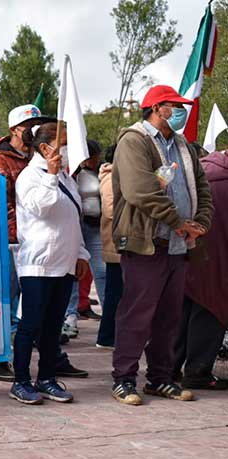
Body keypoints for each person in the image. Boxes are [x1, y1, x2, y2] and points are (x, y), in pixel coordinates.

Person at [111, 84, 213, 405]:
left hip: (178, 245)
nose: (182, 111)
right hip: (147, 243)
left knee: (169, 317)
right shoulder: (134, 141)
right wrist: (179, 221)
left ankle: (160, 378)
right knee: (137, 315)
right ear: (157, 108)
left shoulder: (183, 146)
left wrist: (201, 225)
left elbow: (203, 190)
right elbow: (140, 190)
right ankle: (124, 379)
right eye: (175, 105)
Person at [9, 122, 89, 405]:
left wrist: (81, 254)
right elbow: (43, 207)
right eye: (64, 143)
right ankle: (21, 381)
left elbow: (72, 217)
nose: (68, 150)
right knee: (30, 325)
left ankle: (46, 378)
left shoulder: (66, 177)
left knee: (53, 326)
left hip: (64, 262)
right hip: (38, 263)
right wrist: (51, 176)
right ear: (45, 148)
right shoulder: (31, 176)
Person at [0, 104, 53, 382]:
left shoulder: (41, 157)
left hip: (34, 239)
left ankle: (46, 358)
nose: (34, 130)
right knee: (5, 303)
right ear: (14, 130)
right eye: (28, 125)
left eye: (39, 124)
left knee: (33, 305)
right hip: (8, 239)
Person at [173, 148, 228, 390]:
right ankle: (197, 370)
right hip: (218, 255)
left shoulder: (198, 169)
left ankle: (168, 367)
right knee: (211, 310)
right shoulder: (222, 177)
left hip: (189, 248)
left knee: (184, 310)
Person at [62, 140, 106, 337]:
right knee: (72, 273)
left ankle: (110, 317)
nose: (91, 159)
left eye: (93, 155)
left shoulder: (102, 172)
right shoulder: (70, 173)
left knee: (102, 271)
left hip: (96, 226)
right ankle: (70, 317)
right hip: (76, 227)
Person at [96, 144, 121, 349]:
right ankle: (107, 337)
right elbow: (111, 209)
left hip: (123, 242)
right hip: (115, 243)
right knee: (115, 293)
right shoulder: (110, 176)